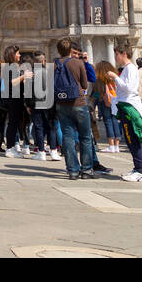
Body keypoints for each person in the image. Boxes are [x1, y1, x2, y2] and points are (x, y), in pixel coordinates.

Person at [53, 40, 100, 179]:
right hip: (78, 103)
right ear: (70, 51)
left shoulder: (53, 65)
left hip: (61, 104)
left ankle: (72, 170)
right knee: (85, 136)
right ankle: (86, 170)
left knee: (67, 137)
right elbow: (85, 85)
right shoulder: (78, 63)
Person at [106, 44, 142, 182]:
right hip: (125, 106)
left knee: (132, 138)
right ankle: (138, 168)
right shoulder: (126, 69)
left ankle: (140, 170)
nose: (116, 57)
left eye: (117, 54)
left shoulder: (130, 69)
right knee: (130, 139)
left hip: (130, 107)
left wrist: (114, 77)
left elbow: (129, 88)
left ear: (124, 53)